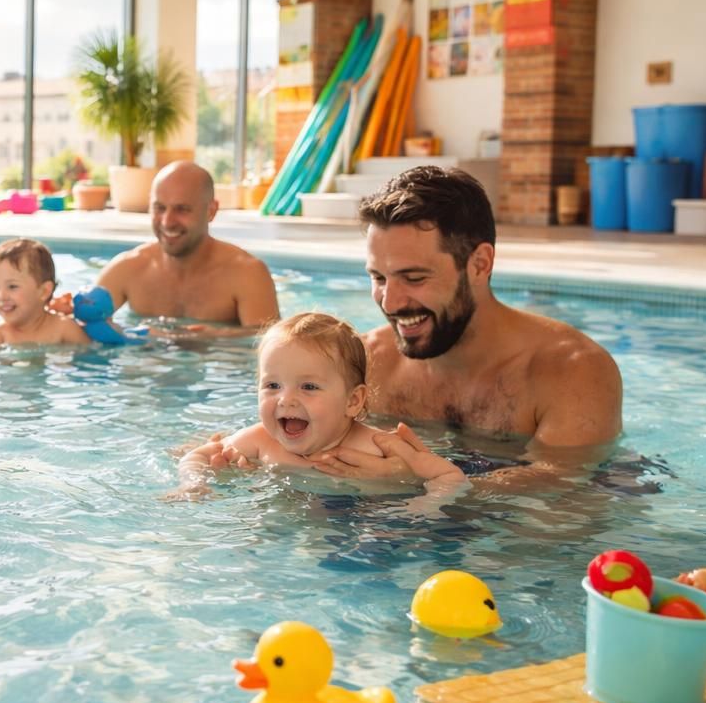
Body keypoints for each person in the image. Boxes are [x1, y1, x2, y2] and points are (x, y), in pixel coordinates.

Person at [312, 166, 623, 482]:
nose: (390, 303)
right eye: (378, 278)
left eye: (415, 278)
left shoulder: (571, 372)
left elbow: (569, 500)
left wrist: (418, 484)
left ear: (479, 264)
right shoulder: (367, 362)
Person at [177, 312, 464, 495]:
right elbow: (196, 457)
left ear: (353, 401)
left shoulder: (378, 446)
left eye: (309, 387)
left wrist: (424, 507)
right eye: (272, 385)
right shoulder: (260, 440)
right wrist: (195, 484)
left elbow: (450, 476)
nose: (286, 399)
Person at [84, 161, 279, 332]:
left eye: (182, 209)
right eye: (159, 208)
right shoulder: (127, 269)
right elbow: (81, 326)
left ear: (211, 211)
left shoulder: (247, 273)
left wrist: (216, 338)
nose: (167, 222)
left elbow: (272, 345)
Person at [0, 238, 91, 347]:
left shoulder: (64, 328)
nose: (1, 296)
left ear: (44, 291)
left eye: (12, 286)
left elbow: (90, 354)